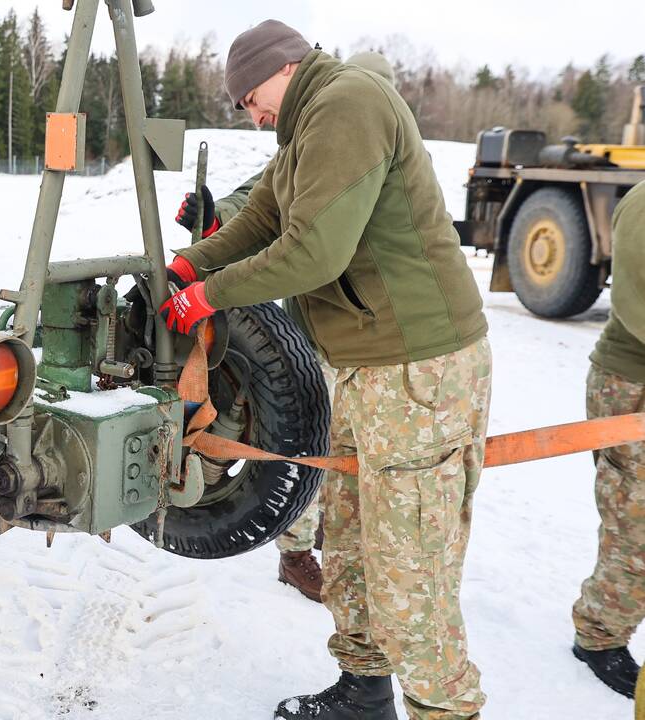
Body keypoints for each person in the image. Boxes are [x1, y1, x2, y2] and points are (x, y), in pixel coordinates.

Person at [158, 20, 490, 720]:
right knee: (352, 544)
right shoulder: (306, 127)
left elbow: (314, 254)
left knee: (411, 570)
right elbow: (263, 219)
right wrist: (193, 262)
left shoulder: (347, 104)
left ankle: (444, 709)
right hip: (369, 369)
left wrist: (208, 295)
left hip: (417, 370)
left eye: (251, 97)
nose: (253, 113)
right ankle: (364, 691)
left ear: (284, 67)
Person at [175, 51, 398, 604]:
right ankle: (295, 548)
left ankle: (327, 525)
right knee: (303, 439)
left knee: (347, 448)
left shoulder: (378, 143)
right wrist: (213, 214)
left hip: (370, 333)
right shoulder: (318, 137)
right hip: (317, 326)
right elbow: (260, 197)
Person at [570, 180, 645, 699]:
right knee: (637, 528)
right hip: (632, 388)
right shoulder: (643, 204)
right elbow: (638, 301)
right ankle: (599, 635)